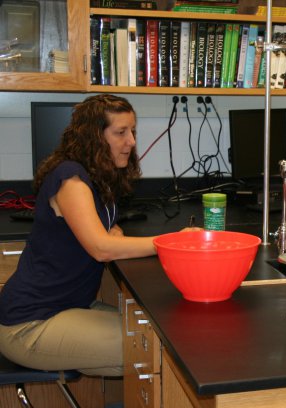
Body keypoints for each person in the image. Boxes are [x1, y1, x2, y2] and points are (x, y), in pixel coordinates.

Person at [0, 94, 198, 377]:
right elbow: (101, 248)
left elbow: (107, 234)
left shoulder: (94, 176)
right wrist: (173, 241)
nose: (131, 141)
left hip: (69, 307)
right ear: (94, 137)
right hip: (30, 324)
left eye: (132, 131)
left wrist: (108, 237)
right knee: (158, 347)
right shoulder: (71, 179)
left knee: (154, 335)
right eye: (120, 132)